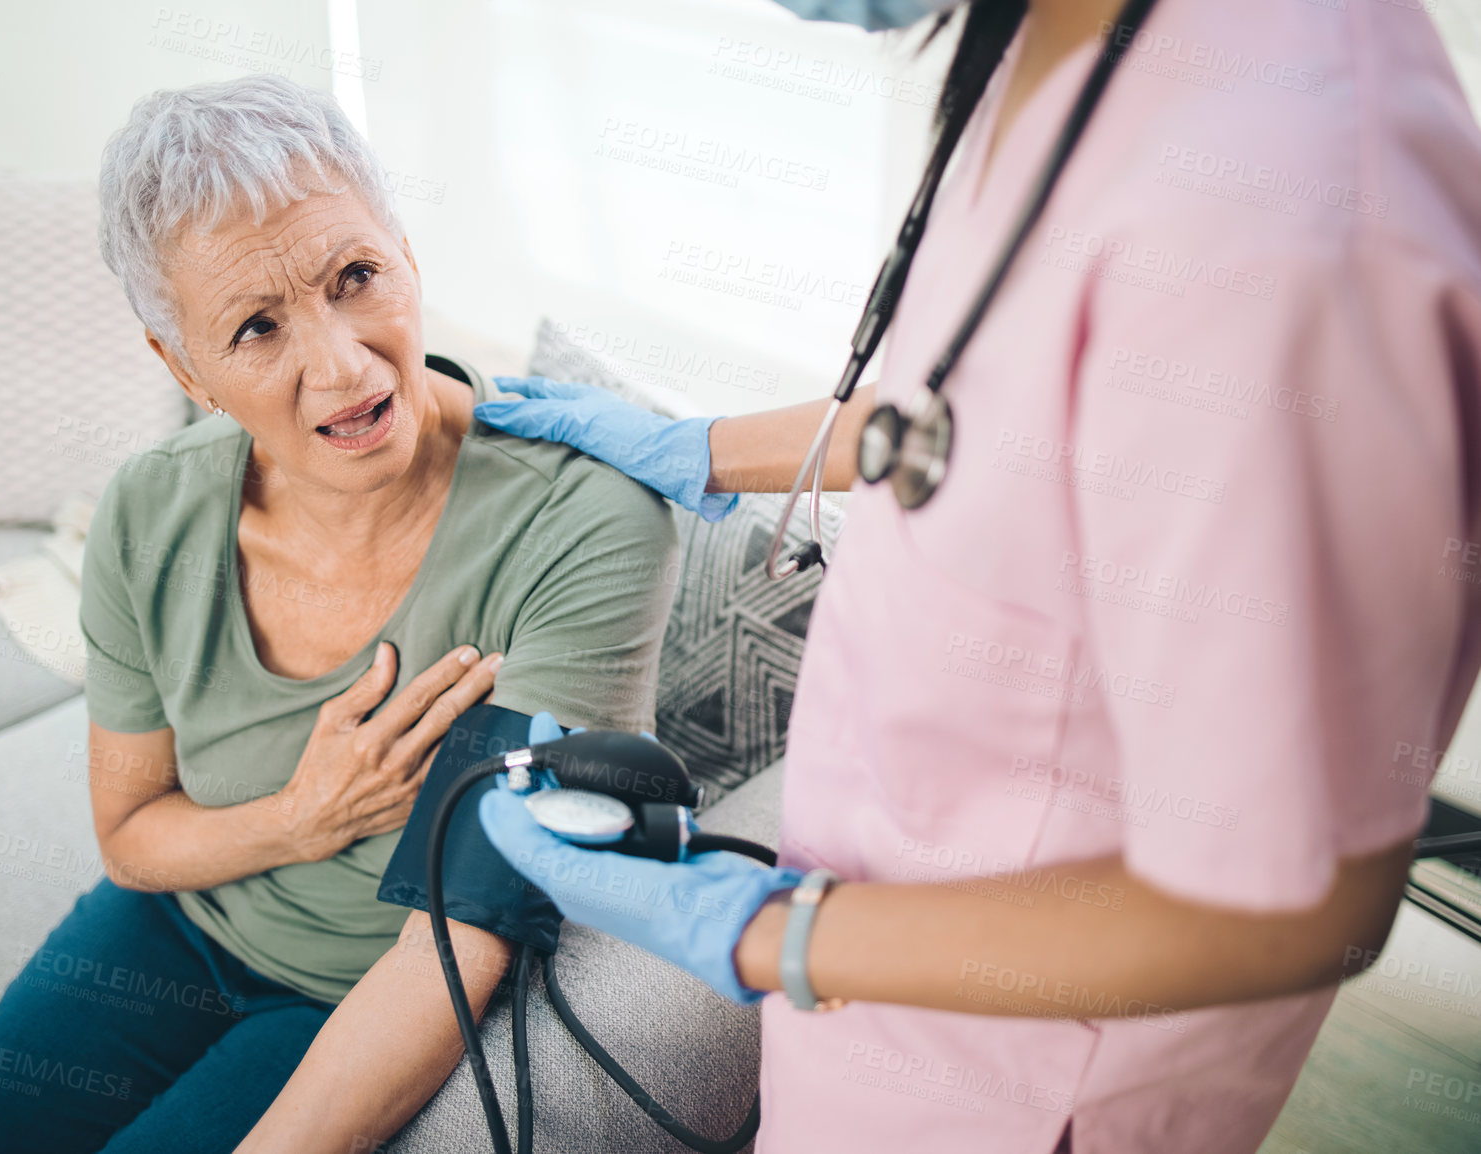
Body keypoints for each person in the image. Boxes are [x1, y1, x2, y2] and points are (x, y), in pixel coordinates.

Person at [476, 0, 1481, 1151]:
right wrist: (695, 445)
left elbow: (1289, 901)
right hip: (873, 1029)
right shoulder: (1057, 33)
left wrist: (767, 934)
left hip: (1013, 1089)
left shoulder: (1270, 217)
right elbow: (980, 420)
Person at [0, 74, 677, 1154]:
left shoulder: (583, 522)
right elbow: (132, 838)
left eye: (356, 275)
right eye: (256, 326)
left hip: (365, 984)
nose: (341, 365)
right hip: (174, 925)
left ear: (404, 245)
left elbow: (464, 933)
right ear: (185, 366)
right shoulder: (149, 508)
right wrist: (301, 816)